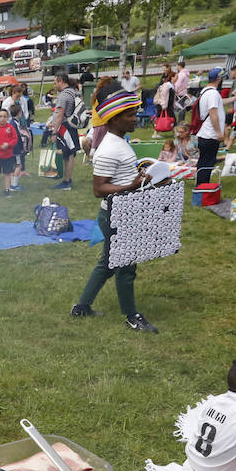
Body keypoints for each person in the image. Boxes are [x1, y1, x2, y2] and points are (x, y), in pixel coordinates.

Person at [69, 89, 160, 333]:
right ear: (114, 119)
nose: (134, 119)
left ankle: (81, 307)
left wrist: (142, 180)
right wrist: (130, 185)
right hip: (117, 215)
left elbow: (119, 178)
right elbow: (99, 189)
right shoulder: (110, 148)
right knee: (125, 267)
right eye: (129, 115)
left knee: (108, 264)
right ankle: (132, 316)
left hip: (121, 211)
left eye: (134, 114)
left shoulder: (119, 143)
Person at [194, 68, 227, 186]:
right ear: (219, 79)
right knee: (207, 162)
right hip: (210, 134)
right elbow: (213, 112)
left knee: (203, 161)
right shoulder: (213, 93)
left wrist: (235, 98)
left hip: (204, 133)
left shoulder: (205, 91)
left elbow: (218, 104)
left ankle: (201, 185)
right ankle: (203, 187)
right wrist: (219, 132)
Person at [48, 73, 80, 190]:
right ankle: (67, 180)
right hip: (71, 126)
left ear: (61, 81)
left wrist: (54, 132)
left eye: (55, 82)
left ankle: (67, 181)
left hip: (65, 127)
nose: (54, 85)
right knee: (69, 154)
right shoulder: (72, 92)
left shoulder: (63, 95)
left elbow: (60, 115)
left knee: (68, 154)